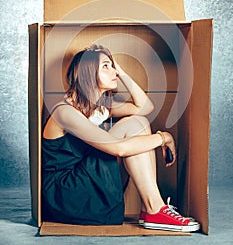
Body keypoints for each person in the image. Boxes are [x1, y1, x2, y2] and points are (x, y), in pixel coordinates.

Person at [42, 44, 200, 232]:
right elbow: (118, 149)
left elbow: (145, 108)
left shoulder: (98, 107)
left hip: (83, 177)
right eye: (106, 67)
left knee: (138, 121)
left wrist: (122, 72)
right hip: (65, 193)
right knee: (132, 127)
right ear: (87, 73)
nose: (113, 71)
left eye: (113, 66)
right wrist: (164, 137)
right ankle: (154, 209)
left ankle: (152, 209)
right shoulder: (64, 112)